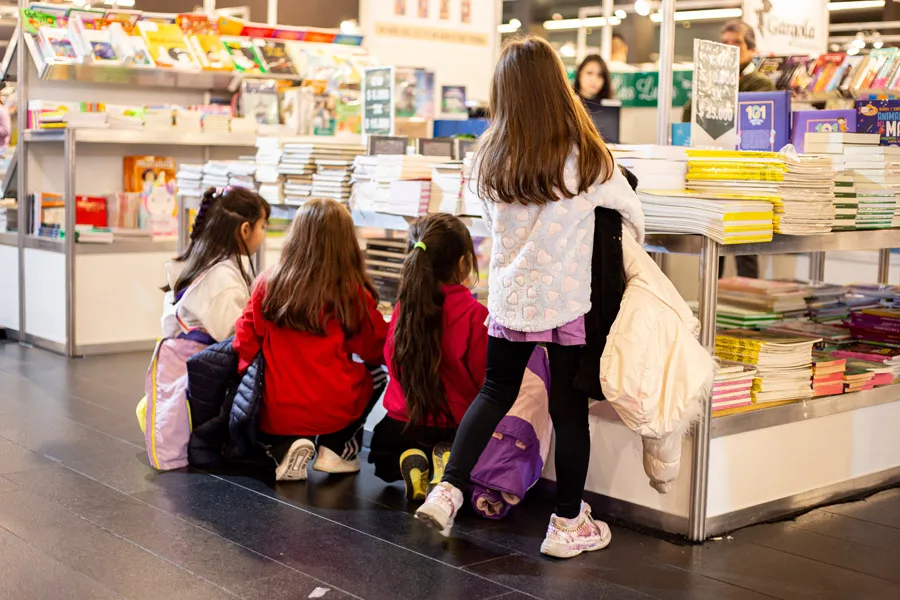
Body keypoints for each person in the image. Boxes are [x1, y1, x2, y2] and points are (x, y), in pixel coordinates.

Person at [415, 36, 645, 559]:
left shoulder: (489, 157)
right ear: (556, 86)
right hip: (565, 303)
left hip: (510, 299)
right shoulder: (586, 156)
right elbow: (631, 211)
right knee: (569, 409)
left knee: (494, 391)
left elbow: (488, 222)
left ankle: (449, 489)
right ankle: (566, 524)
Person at [232, 199, 388, 482]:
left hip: (276, 409)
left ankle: (285, 447)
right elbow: (376, 349)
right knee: (377, 376)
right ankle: (338, 447)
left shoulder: (267, 284)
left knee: (273, 406)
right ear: (345, 242)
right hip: (334, 407)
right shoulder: (351, 292)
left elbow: (244, 341)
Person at [368, 214, 488, 501]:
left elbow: (391, 360)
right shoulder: (475, 315)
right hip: (452, 426)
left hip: (398, 429)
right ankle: (443, 461)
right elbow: (482, 381)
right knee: (474, 456)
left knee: (387, 462)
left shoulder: (403, 308)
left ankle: (415, 460)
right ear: (463, 263)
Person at [682, 20, 770, 279]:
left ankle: (748, 305)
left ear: (751, 50)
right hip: (712, 171)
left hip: (746, 173)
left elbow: (746, 114)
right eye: (725, 43)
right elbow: (688, 114)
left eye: (737, 43)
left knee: (746, 245)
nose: (729, 49)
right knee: (712, 242)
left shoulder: (759, 82)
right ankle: (711, 301)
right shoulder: (709, 81)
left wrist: (719, 88)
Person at [161, 187, 270, 343]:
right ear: (245, 230)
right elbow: (238, 340)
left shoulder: (203, 260)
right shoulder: (223, 280)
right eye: (262, 226)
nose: (263, 233)